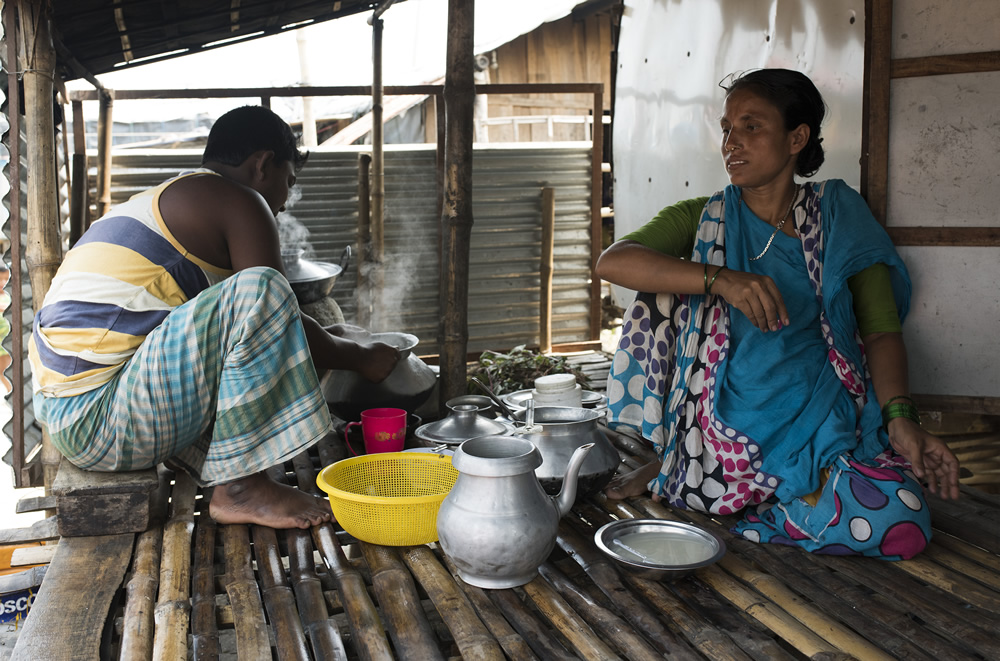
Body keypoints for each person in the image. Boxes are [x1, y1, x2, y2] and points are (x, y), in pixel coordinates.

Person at [597, 69, 960, 559]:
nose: (732, 143)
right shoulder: (704, 218)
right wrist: (720, 279)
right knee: (660, 279)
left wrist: (899, 418)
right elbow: (613, 262)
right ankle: (698, 470)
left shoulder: (836, 213)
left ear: (797, 137)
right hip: (719, 430)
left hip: (821, 422)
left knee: (900, 520)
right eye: (727, 128)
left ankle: (745, 495)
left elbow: (879, 331)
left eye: (751, 126)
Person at [28, 105, 400, 529]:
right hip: (103, 421)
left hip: (72, 421)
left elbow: (251, 335)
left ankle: (233, 473)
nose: (285, 201)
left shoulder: (174, 198)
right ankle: (240, 488)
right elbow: (270, 305)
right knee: (263, 287)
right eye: (288, 182)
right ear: (263, 164)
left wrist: (337, 341)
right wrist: (360, 357)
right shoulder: (238, 200)